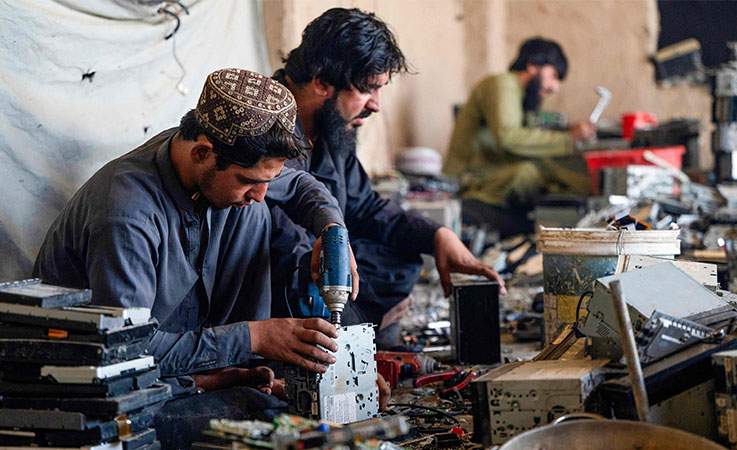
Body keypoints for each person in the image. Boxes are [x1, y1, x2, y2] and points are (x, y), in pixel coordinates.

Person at [33, 68, 377, 448]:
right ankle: (223, 380)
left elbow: (296, 184)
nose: (261, 192)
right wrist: (255, 338)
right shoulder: (126, 215)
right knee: (268, 420)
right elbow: (128, 352)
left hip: (189, 368)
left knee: (250, 211)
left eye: (267, 179)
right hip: (106, 390)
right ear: (202, 153)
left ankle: (227, 376)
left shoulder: (218, 158)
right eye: (249, 181)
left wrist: (332, 230)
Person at [268, 8, 505, 346]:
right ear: (321, 82)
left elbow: (365, 207)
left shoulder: (331, 128)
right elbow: (290, 250)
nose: (377, 105)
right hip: (281, 278)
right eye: (367, 90)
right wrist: (355, 356)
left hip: (323, 267)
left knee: (399, 258)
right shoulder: (265, 126)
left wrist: (439, 235)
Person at [444, 37, 596, 236]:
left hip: (495, 181)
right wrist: (569, 139)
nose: (554, 87)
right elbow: (509, 137)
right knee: (528, 174)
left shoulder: (525, 98)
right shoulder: (502, 84)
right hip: (470, 184)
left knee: (559, 179)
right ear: (533, 65)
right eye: (553, 76)